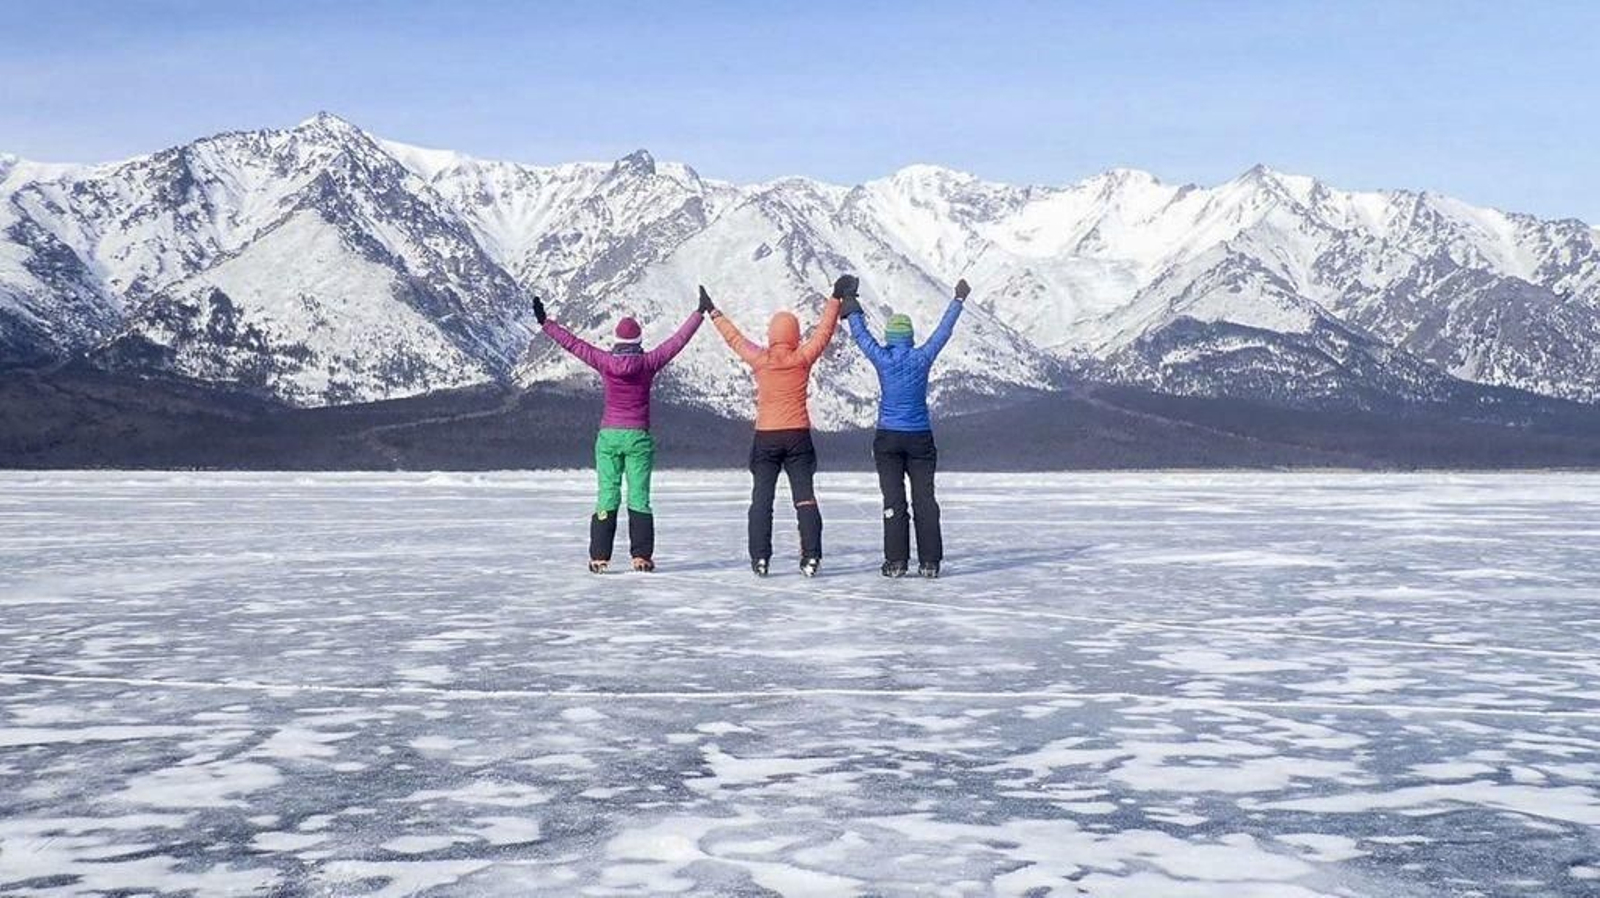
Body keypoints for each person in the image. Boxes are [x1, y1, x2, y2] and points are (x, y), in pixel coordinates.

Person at [532, 289, 712, 573]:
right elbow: (677, 342)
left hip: (609, 437)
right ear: (638, 341)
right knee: (639, 496)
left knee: (607, 494)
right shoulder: (649, 363)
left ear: (616, 341)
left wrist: (546, 323)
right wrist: (699, 313)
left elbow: (574, 345)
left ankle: (599, 557)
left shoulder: (605, 362)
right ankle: (641, 557)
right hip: (638, 436)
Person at [705, 280, 845, 577]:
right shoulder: (802, 358)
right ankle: (811, 557)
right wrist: (835, 298)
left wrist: (713, 312)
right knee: (804, 497)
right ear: (794, 336)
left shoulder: (760, 359)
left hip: (766, 437)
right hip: (797, 436)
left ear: (771, 335)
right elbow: (824, 332)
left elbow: (734, 339)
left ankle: (760, 559)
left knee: (761, 500)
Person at [839, 278, 969, 578]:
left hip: (888, 439)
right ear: (909, 337)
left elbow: (862, 337)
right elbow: (943, 332)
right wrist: (958, 300)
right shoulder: (922, 357)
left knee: (894, 500)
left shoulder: (882, 358)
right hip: (920, 438)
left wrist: (850, 304)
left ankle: (896, 562)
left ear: (889, 336)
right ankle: (930, 562)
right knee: (925, 499)